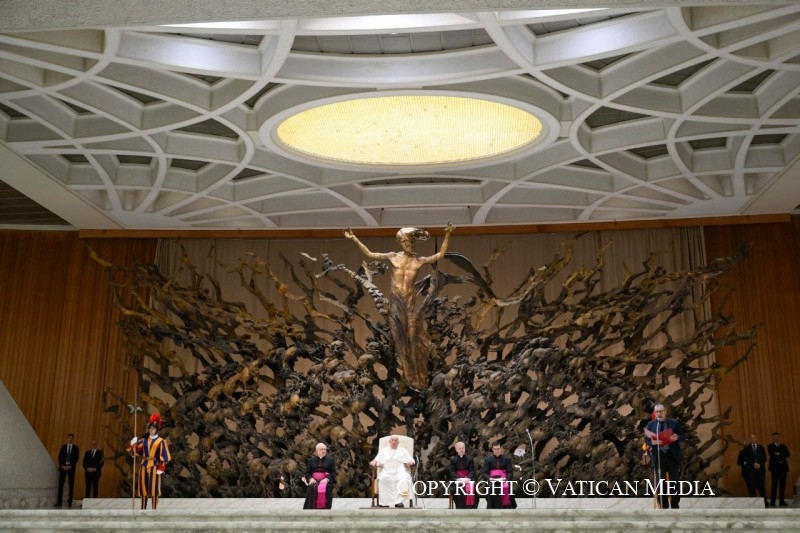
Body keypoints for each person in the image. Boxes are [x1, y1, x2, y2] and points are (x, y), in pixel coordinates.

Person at [345, 224, 455, 388]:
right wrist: (354, 238)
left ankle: (420, 375)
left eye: (411, 242)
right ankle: (409, 375)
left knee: (413, 336)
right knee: (399, 340)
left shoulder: (419, 261)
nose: (410, 245)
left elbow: (440, 254)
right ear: (401, 242)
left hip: (409, 304)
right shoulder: (393, 256)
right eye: (406, 242)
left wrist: (448, 234)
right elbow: (370, 254)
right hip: (395, 304)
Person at [644, 403, 685, 509]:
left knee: (674, 482)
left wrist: (677, 437)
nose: (659, 414)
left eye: (661, 411)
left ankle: (675, 506)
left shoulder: (674, 423)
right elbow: (647, 440)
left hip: (672, 456)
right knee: (660, 483)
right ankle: (663, 506)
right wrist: (653, 442)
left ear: (665, 411)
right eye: (657, 412)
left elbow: (683, 437)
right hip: (659, 457)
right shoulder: (651, 424)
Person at [130, 413, 171, 510]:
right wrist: (133, 444)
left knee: (154, 488)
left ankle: (154, 509)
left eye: (153, 428)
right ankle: (143, 508)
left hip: (155, 466)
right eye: (150, 428)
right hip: (144, 465)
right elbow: (136, 453)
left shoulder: (161, 441)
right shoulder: (143, 440)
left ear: (157, 429)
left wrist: (162, 468)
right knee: (143, 488)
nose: (151, 430)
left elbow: (165, 456)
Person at [370, 435, 415, 508]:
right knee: (383, 479)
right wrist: (374, 462)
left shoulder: (403, 450)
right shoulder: (383, 451)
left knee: (405, 478)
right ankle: (385, 503)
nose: (394, 442)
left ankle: (399, 502)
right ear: (389, 442)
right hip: (386, 471)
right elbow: (376, 459)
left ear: (398, 442)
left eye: (396, 440)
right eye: (392, 440)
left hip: (399, 471)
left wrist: (410, 462)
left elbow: (410, 459)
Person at [482, 442, 516, 509]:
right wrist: (489, 478)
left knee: (506, 487)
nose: (497, 451)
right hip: (492, 480)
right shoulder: (488, 460)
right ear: (492, 449)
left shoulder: (507, 459)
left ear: (501, 449)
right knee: (491, 488)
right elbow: (484, 473)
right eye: (495, 449)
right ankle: (493, 509)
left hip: (503, 480)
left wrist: (506, 478)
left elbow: (510, 472)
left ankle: (506, 509)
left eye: (498, 449)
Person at [737, 434, 768, 506]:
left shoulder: (761, 447)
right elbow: (746, 459)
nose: (753, 439)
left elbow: (764, 458)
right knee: (752, 488)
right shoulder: (747, 448)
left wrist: (760, 464)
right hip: (751, 471)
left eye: (754, 438)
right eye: (751, 438)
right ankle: (753, 503)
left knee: (762, 487)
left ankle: (765, 502)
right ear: (750, 439)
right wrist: (753, 464)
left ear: (756, 439)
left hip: (760, 470)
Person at [303, 443, 335, 509]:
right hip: (314, 481)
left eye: (325, 449)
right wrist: (310, 479)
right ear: (317, 451)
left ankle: (324, 511)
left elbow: (333, 473)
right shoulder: (311, 460)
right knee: (311, 487)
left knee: (327, 488)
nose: (324, 451)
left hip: (325, 481)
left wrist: (327, 479)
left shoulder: (330, 460)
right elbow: (307, 473)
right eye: (321, 449)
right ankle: (310, 511)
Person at [449, 441, 478, 509]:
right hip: (457, 481)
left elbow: (471, 471)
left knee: (472, 487)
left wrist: (467, 478)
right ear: (456, 450)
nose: (461, 450)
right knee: (459, 488)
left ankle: (470, 507)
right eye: (459, 449)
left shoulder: (470, 459)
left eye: (463, 448)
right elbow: (452, 472)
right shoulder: (453, 460)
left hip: (468, 479)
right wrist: (459, 479)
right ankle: (461, 508)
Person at [55, 433, 80, 507]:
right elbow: (59, 457)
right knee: (61, 485)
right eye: (69, 438)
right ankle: (59, 502)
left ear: (73, 439)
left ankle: (69, 502)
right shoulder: (63, 447)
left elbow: (76, 459)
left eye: (71, 438)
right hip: (63, 468)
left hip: (71, 469)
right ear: (67, 438)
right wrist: (62, 466)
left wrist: (70, 466)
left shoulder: (76, 448)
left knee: (71, 485)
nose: (70, 439)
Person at [768, 431, 791, 507]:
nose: (776, 438)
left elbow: (788, 454)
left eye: (777, 437)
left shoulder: (783, 446)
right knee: (774, 485)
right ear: (773, 438)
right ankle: (772, 502)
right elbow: (772, 455)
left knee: (782, 485)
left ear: (779, 437)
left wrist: (779, 454)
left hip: (783, 468)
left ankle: (782, 501)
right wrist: (782, 455)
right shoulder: (770, 446)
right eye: (775, 437)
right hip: (774, 468)